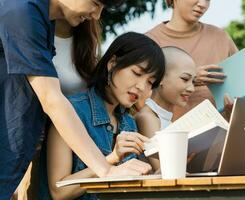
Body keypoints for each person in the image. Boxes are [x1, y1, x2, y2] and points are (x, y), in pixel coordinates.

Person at [0, 0, 146, 199]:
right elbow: (51, 98)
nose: (96, 15)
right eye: (95, 3)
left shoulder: (42, 19)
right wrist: (105, 169)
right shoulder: (21, 11)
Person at [43, 32, 165, 200]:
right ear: (112, 64)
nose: (142, 86)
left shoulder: (129, 122)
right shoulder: (72, 110)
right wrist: (111, 160)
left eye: (150, 82)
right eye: (137, 73)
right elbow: (59, 191)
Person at [145, 0, 237, 120]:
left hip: (222, 136)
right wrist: (190, 78)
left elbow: (242, 95)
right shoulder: (149, 43)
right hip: (171, 136)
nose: (203, 4)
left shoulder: (221, 38)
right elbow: (140, 99)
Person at [135, 46, 196, 171]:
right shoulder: (147, 118)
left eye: (193, 82)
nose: (192, 89)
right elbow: (163, 171)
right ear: (160, 78)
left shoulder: (165, 119)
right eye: (185, 79)